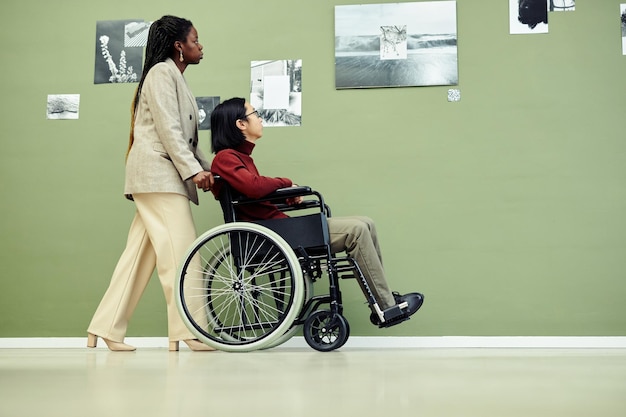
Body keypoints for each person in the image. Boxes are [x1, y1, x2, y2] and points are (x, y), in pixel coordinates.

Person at [208, 97, 424, 327]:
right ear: (241, 124)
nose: (260, 118)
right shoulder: (225, 158)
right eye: (255, 113)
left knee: (366, 222)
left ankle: (382, 302)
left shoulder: (240, 158)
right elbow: (253, 186)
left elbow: (255, 192)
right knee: (357, 230)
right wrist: (285, 182)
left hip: (277, 229)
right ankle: (387, 306)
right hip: (269, 236)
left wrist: (285, 194)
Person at [87, 15, 214, 352]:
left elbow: (187, 141)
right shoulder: (161, 73)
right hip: (158, 175)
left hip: (158, 174)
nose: (201, 46)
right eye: (195, 40)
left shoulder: (173, 76)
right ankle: (189, 331)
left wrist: (206, 169)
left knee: (138, 258)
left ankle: (104, 328)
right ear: (179, 46)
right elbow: (169, 130)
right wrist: (192, 171)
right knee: (182, 254)